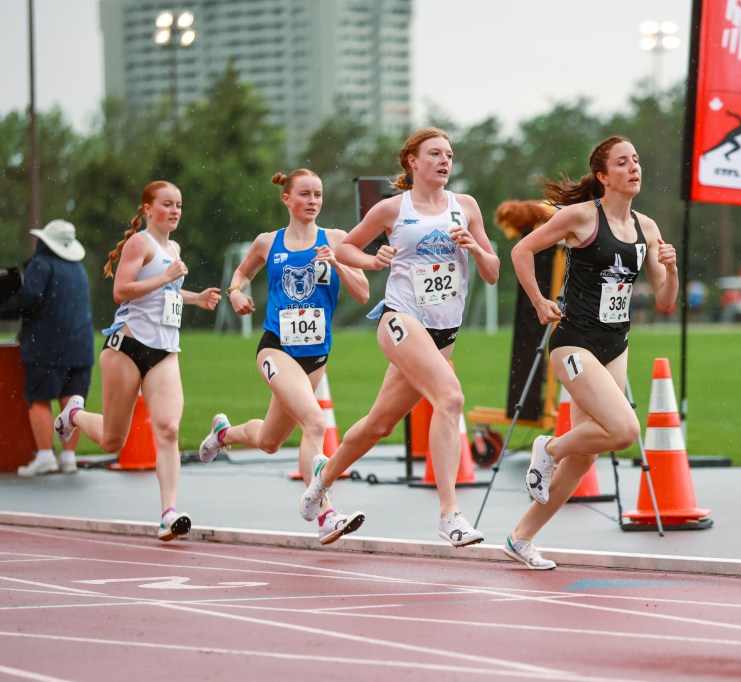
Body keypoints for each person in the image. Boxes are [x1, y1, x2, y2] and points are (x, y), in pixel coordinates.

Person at [298, 127, 499, 547]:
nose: (445, 161)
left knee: (379, 424)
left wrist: (476, 250)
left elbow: (493, 272)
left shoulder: (466, 207)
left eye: (449, 154)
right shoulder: (393, 209)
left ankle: (322, 479)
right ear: (413, 161)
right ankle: (450, 515)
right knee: (451, 398)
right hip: (401, 320)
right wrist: (375, 260)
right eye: (435, 154)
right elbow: (347, 248)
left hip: (444, 331)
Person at [503, 135, 678, 569]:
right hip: (574, 342)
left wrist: (671, 269)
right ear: (603, 176)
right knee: (624, 430)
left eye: (636, 160)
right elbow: (522, 250)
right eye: (622, 162)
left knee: (584, 458)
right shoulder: (583, 216)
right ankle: (549, 446)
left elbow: (665, 299)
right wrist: (541, 301)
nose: (634, 167)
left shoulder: (647, 228)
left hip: (615, 345)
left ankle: (520, 537)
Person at [198, 169, 370, 546]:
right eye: (305, 194)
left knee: (270, 441)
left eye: (318, 195)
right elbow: (241, 276)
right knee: (314, 421)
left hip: (315, 356)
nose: (312, 201)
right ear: (287, 199)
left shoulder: (337, 240)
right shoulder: (267, 242)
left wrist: (338, 262)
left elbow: (362, 292)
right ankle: (324, 511)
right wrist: (236, 293)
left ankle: (222, 434)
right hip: (275, 347)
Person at [52, 181, 222, 540]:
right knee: (114, 441)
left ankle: (168, 514)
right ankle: (74, 415)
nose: (175, 211)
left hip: (164, 351)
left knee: (169, 429)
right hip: (125, 348)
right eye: (167, 204)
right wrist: (165, 276)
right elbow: (120, 291)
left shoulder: (172, 246)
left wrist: (195, 298)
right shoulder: (139, 244)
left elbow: (166, 292)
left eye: (179, 205)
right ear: (147, 209)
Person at [0, 220, 93, 476]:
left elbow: (29, 299)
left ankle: (44, 456)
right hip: (82, 347)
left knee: (39, 400)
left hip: (47, 347)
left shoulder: (42, 265)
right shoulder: (78, 269)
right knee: (72, 403)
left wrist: (4, 307)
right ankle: (68, 457)